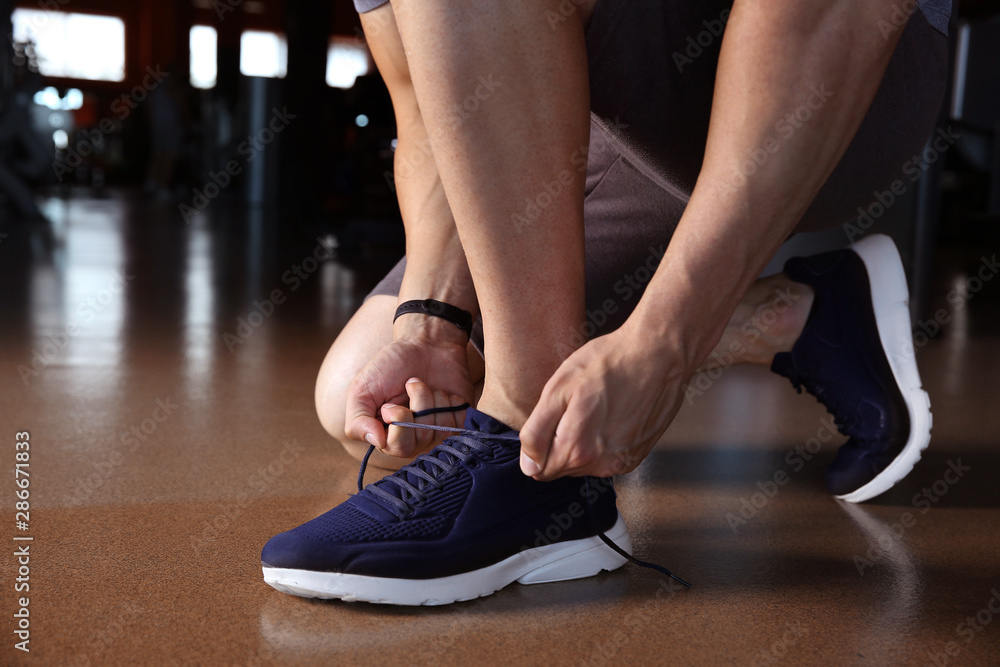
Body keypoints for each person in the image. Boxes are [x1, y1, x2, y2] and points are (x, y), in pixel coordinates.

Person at [261, 0, 949, 605]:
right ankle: (802, 316)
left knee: (513, 407)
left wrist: (667, 341)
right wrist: (432, 319)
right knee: (360, 392)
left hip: (832, 87)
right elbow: (424, 103)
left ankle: (523, 445)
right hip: (600, 126)